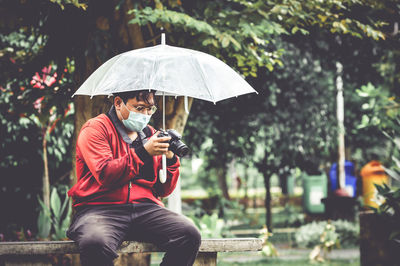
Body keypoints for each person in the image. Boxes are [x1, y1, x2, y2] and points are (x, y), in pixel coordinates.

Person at [67, 90, 201, 266]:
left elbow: (163, 190)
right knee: (95, 242)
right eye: (139, 108)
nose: (145, 114)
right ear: (118, 103)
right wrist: (144, 152)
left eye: (150, 109)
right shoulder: (95, 129)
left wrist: (169, 160)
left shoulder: (151, 134)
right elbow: (105, 174)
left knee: (189, 234)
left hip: (146, 209)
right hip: (100, 209)